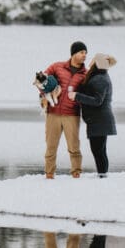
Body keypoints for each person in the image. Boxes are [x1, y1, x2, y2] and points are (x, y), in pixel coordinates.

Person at [42, 41, 88, 179]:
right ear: (74, 53)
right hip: (53, 113)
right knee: (51, 146)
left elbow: (89, 94)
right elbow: (41, 79)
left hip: (72, 115)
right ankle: (49, 174)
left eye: (86, 53)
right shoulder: (57, 67)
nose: (84, 55)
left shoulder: (85, 74)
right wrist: (44, 94)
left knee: (74, 147)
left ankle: (76, 173)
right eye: (82, 52)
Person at [71, 53, 116, 178]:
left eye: (93, 61)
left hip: (100, 120)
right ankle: (103, 174)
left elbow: (97, 100)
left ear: (97, 64)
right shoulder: (99, 76)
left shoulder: (100, 79)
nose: (90, 63)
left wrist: (77, 96)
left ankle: (102, 175)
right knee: (100, 150)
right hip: (99, 120)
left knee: (98, 150)